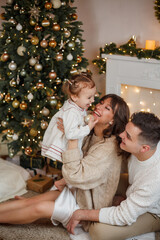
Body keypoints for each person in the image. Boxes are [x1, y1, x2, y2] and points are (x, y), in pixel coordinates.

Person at [0, 94, 130, 240]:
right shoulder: (90, 131)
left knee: (39, 208)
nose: (98, 106)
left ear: (113, 120)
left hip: (87, 205)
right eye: (100, 103)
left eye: (106, 108)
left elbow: (76, 175)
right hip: (76, 190)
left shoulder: (108, 149)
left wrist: (72, 138)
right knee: (32, 201)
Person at [66, 111, 160, 240]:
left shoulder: (154, 179)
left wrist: (82, 214)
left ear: (144, 148)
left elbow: (123, 216)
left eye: (127, 136)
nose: (121, 135)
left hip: (155, 212)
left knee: (98, 231)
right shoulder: (147, 142)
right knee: (100, 179)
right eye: (125, 130)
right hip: (135, 185)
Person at [41, 73, 97, 162]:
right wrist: (88, 128)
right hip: (65, 149)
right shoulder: (71, 112)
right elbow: (71, 134)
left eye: (94, 96)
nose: (93, 100)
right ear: (74, 97)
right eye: (89, 97)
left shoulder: (77, 106)